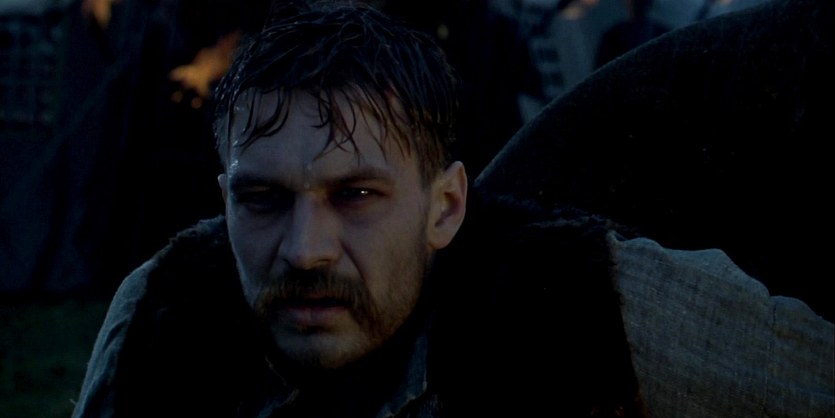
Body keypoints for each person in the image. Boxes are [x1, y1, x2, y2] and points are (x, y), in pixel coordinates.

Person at [72, 1, 833, 418]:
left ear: (445, 208)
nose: (305, 250)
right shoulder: (162, 323)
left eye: (356, 196)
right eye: (263, 199)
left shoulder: (585, 301)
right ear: (224, 202)